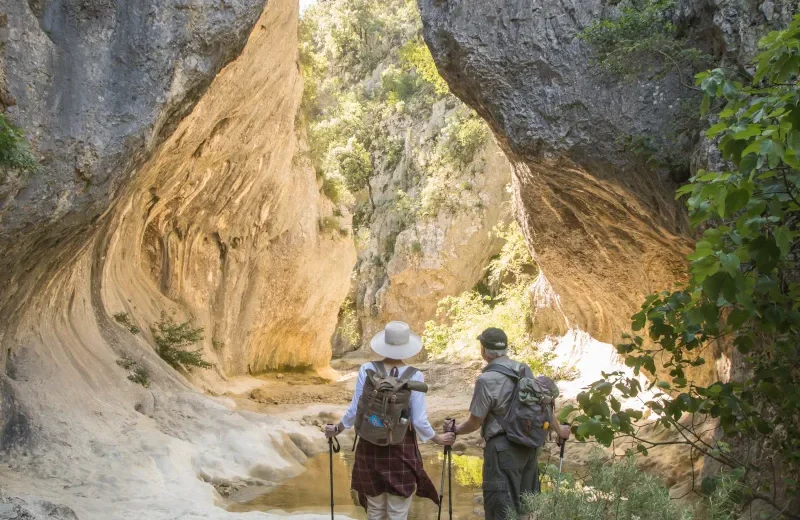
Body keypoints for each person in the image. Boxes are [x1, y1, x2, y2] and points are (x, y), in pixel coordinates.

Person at [325, 321, 455, 520]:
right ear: (407, 348)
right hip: (400, 447)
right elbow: (419, 421)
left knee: (375, 510)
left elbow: (356, 409)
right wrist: (438, 439)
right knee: (397, 512)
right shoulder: (415, 376)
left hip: (369, 446)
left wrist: (338, 428)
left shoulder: (367, 369)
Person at [449, 327, 570, 520]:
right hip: (529, 447)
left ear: (484, 350)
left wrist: (455, 430)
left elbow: (474, 422)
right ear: (505, 348)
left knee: (501, 511)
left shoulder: (486, 380)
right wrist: (559, 430)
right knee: (527, 509)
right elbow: (543, 406)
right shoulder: (524, 370)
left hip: (501, 451)